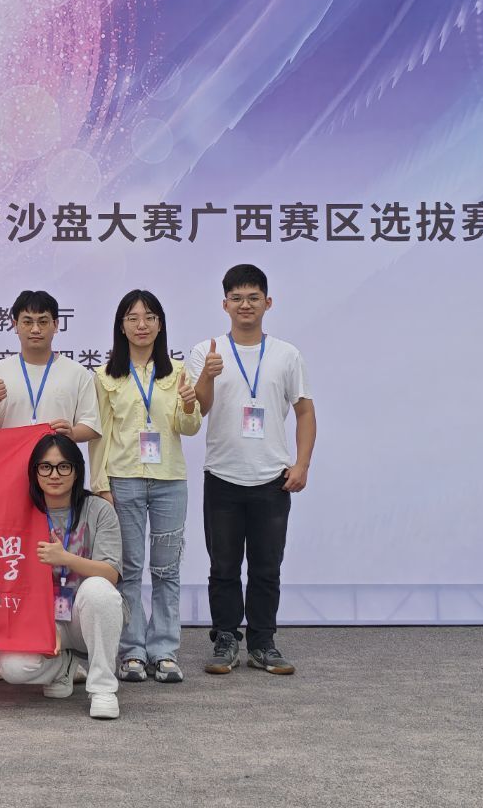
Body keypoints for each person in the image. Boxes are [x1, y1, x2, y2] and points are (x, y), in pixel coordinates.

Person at [186, 264, 316, 677]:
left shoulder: (286, 354)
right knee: (223, 567)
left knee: (266, 567)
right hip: (222, 475)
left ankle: (263, 642)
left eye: (253, 297)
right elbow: (198, 409)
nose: (245, 305)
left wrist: (302, 464)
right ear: (224, 304)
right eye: (237, 298)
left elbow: (305, 411)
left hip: (273, 478)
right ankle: (225, 639)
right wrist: (207, 376)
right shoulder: (206, 351)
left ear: (268, 302)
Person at [0, 289, 100, 680]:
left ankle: (64, 646)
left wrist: (70, 432)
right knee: (9, 566)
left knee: (57, 564)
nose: (35, 328)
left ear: (57, 325)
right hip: (11, 487)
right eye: (27, 321)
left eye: (43, 321)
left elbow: (91, 425)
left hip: (59, 488)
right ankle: (5, 648)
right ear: (14, 325)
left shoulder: (77, 374)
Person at [93, 289, 200, 685]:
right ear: (121, 326)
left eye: (150, 317)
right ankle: (133, 650)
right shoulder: (105, 376)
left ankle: (164, 650)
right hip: (124, 480)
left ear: (160, 325)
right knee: (130, 570)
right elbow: (100, 436)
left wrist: (188, 404)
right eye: (133, 318)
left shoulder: (177, 372)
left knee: (166, 570)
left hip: (170, 480)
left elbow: (188, 427)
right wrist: (100, 484)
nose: (142, 325)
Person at [0, 433, 124, 720]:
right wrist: (40, 625)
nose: (54, 475)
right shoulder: (19, 512)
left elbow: (111, 574)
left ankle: (103, 688)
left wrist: (65, 558)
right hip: (40, 617)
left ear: (77, 471)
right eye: (46, 467)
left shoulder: (99, 510)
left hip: (85, 615)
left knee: (98, 589)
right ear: (34, 472)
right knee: (11, 668)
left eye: (64, 466)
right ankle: (63, 666)